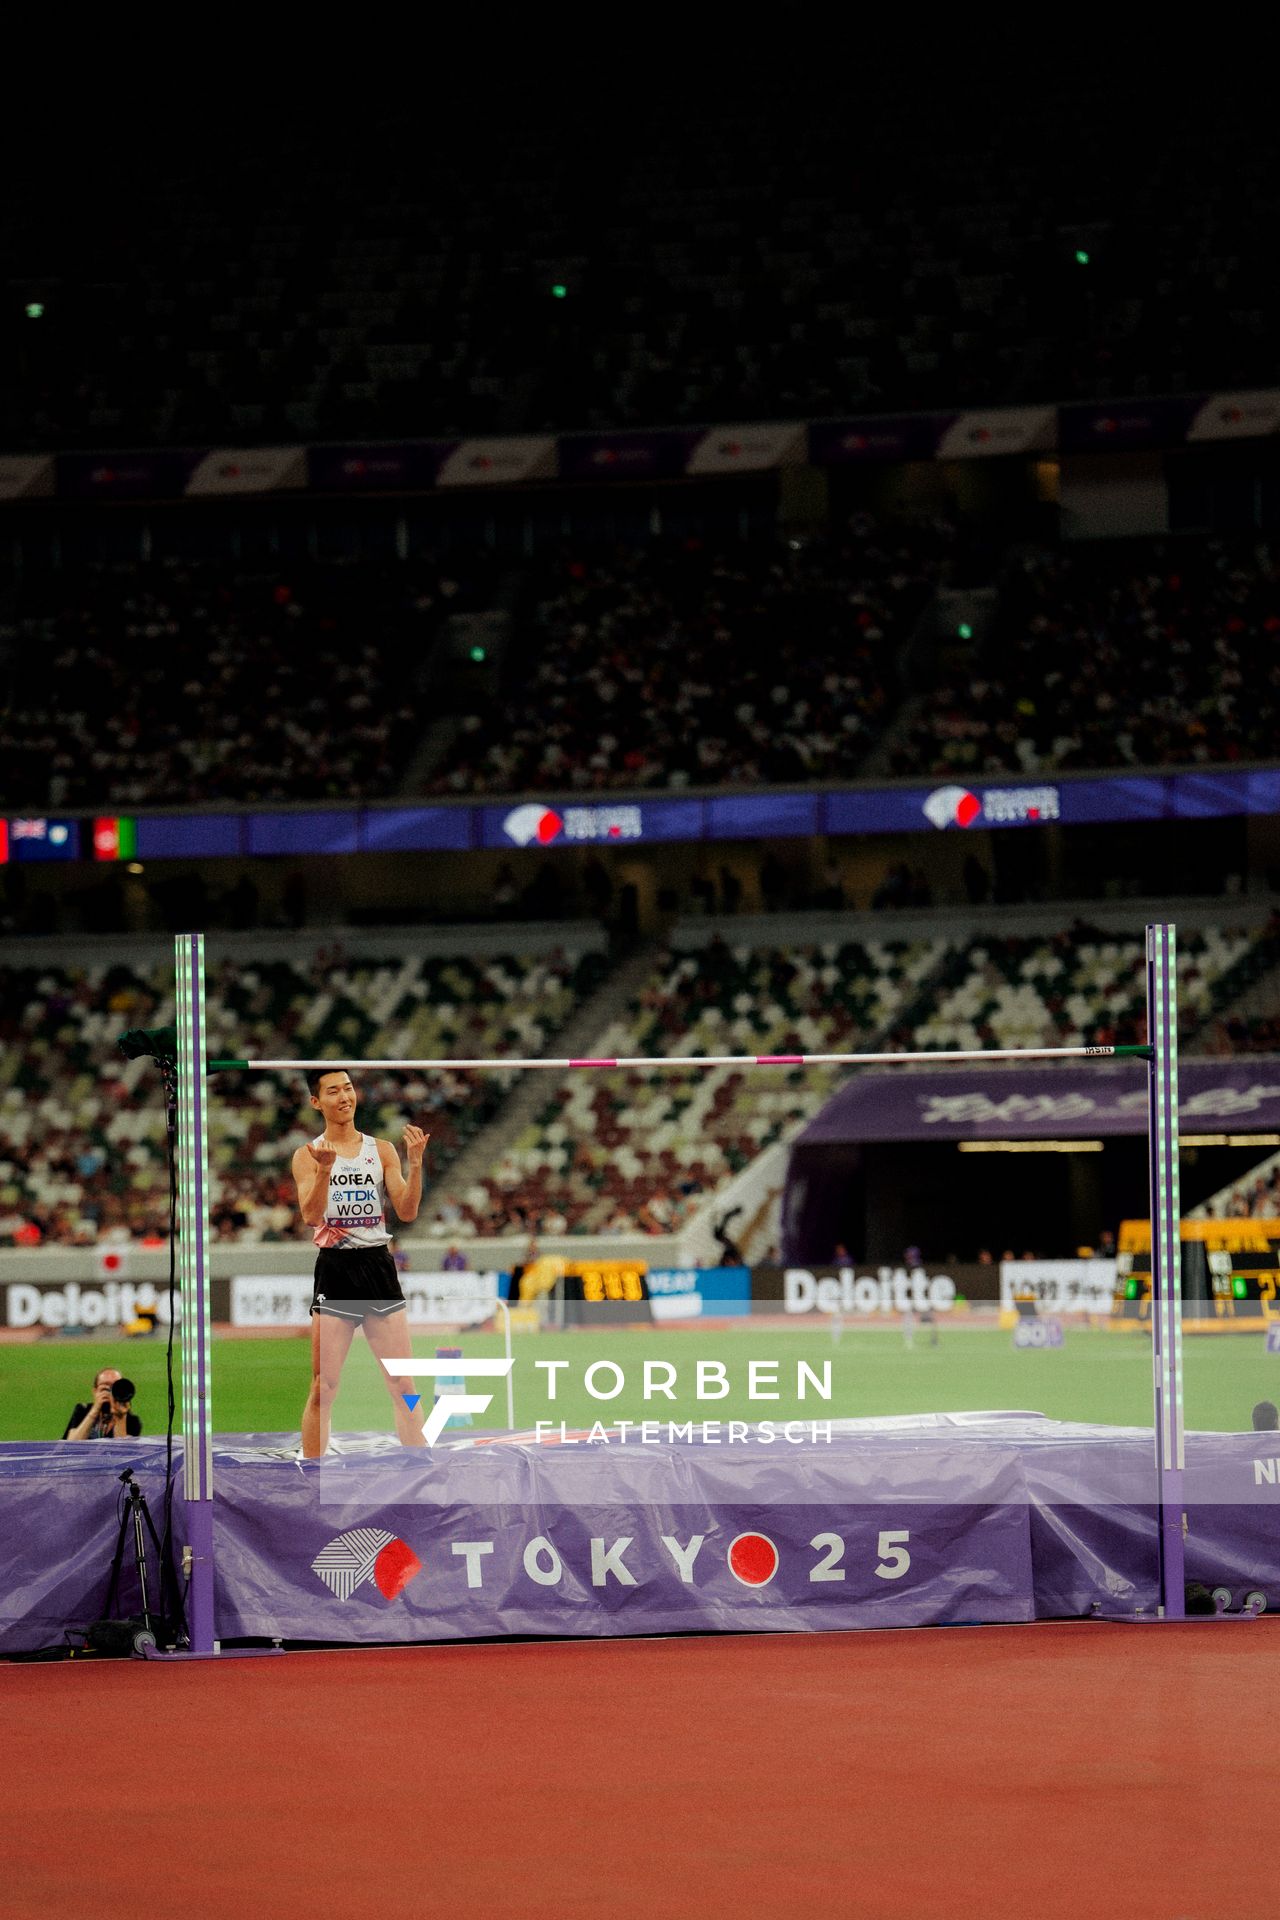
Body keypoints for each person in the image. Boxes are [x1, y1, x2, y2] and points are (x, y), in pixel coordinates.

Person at [293, 1068, 430, 1459]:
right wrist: (324, 1169)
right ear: (317, 1102)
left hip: (376, 1267)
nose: (344, 1097)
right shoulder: (307, 1155)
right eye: (333, 1091)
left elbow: (406, 1210)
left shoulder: (382, 1150)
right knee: (324, 1386)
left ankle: (418, 1468)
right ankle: (313, 1477)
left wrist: (416, 1165)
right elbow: (311, 1215)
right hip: (335, 1269)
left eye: (348, 1088)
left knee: (403, 1383)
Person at [65, 1371, 142, 1440]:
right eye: (105, 1388)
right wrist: (94, 1411)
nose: (110, 1393)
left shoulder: (131, 1420)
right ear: (95, 1391)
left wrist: (120, 1417)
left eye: (115, 1388)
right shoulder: (83, 1410)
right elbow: (71, 1445)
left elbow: (122, 1451)